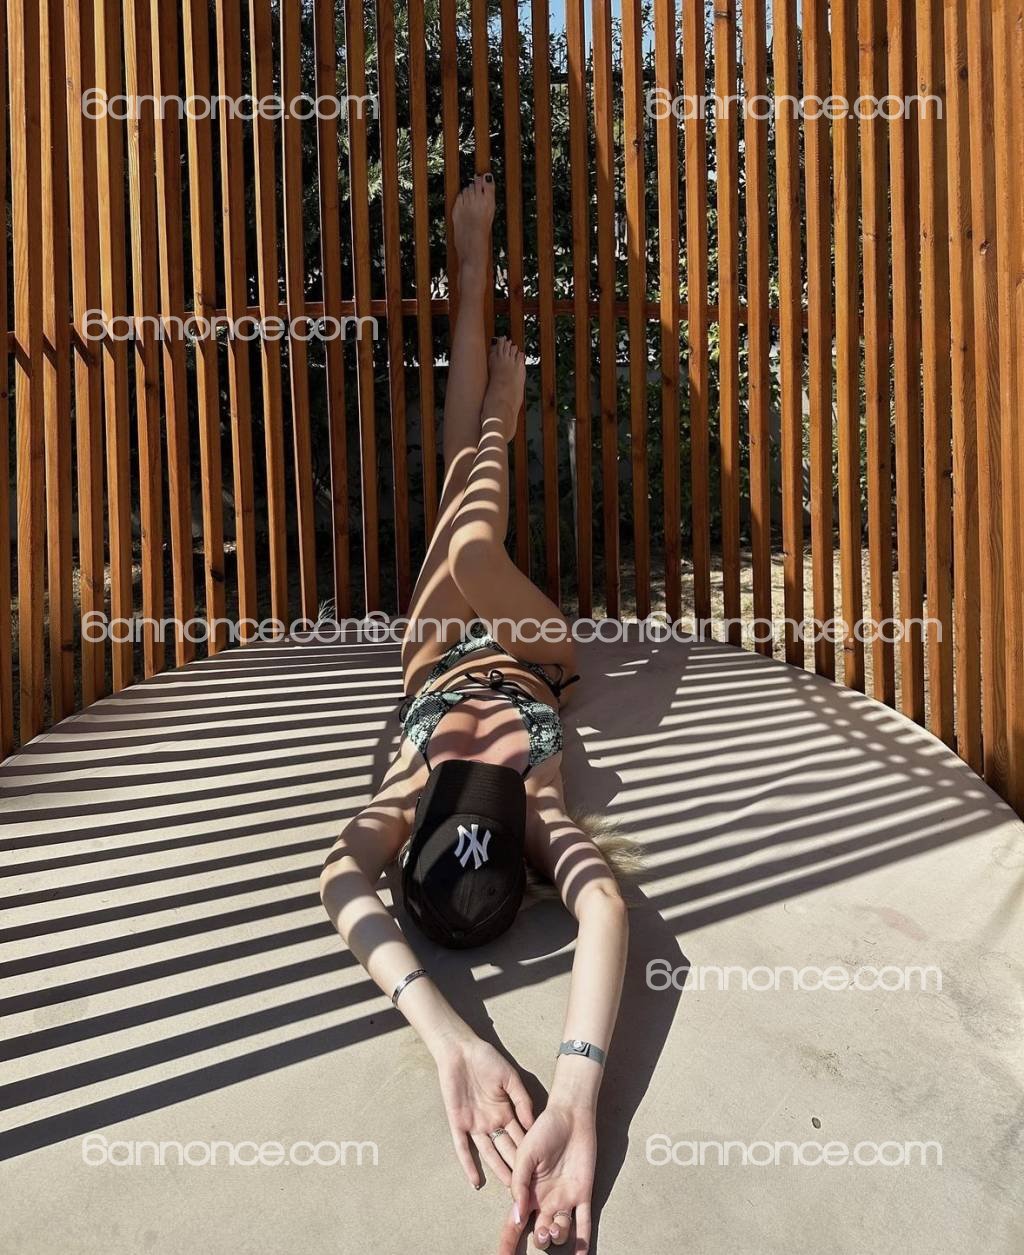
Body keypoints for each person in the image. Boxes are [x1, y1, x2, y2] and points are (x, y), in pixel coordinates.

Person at [319, 175, 629, 1253]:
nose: (485, 744)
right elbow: (601, 910)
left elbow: (337, 879)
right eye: (495, 767)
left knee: (458, 536)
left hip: (436, 647)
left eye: (470, 763)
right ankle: (495, 421)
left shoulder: (409, 792)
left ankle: (472, 288)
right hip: (538, 653)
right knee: (471, 549)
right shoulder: (535, 806)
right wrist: (576, 1097)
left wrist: (447, 1035)